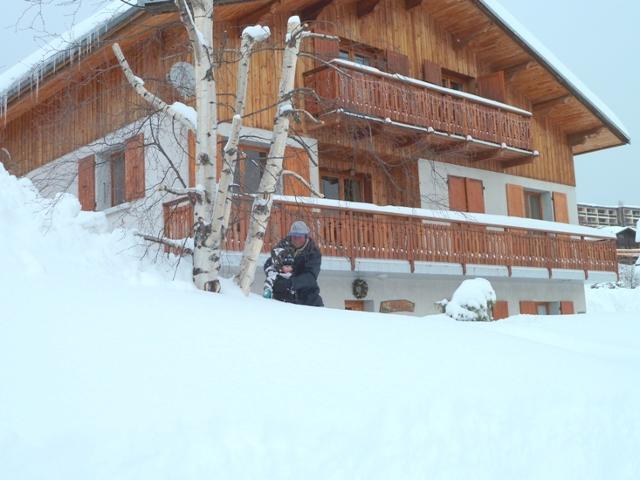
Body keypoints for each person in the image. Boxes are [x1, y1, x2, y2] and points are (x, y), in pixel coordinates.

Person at [263, 220, 324, 307]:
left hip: (307, 298)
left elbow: (311, 276)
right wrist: (275, 280)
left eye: (300, 236)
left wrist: (291, 283)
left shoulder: (313, 252)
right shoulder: (282, 246)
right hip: (283, 298)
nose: (296, 239)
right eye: (294, 236)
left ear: (306, 237)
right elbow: (269, 264)